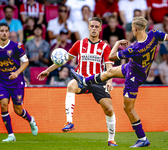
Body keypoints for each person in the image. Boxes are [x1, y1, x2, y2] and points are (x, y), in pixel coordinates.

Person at [69, 17, 168, 147]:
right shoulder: (154, 35)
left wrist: (116, 44)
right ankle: (84, 81)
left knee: (128, 108)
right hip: (135, 67)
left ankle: (142, 138)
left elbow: (111, 57)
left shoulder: (136, 48)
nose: (131, 30)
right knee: (110, 72)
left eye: (132, 28)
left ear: (135, 29)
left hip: (135, 76)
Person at [37, 17, 118, 146]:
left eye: (97, 27)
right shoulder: (79, 44)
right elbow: (64, 60)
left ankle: (111, 139)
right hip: (82, 79)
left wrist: (110, 81)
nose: (94, 29)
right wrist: (48, 70)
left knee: (108, 109)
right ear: (88, 27)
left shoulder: (105, 47)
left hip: (98, 81)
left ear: (100, 28)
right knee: (71, 85)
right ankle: (69, 122)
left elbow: (109, 67)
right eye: (92, 26)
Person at [0, 23, 38, 142]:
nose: (4, 33)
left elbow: (25, 62)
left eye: (6, 31)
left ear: (9, 33)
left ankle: (31, 120)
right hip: (3, 83)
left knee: (18, 110)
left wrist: (16, 73)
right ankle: (11, 135)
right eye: (2, 31)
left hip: (17, 82)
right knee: (3, 105)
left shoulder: (15, 46)